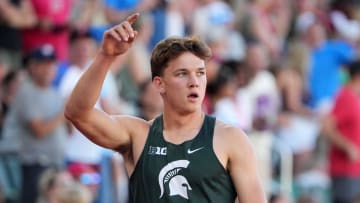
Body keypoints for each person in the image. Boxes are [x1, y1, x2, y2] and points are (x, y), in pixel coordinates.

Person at [65, 13, 266, 203]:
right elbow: (78, 113)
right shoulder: (139, 134)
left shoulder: (231, 139)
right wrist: (106, 56)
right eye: (182, 73)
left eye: (200, 73)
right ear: (159, 84)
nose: (194, 82)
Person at [322, 60, 360, 203]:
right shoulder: (346, 97)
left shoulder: (354, 98)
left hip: (354, 170)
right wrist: (348, 147)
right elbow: (326, 126)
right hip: (345, 169)